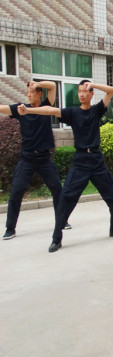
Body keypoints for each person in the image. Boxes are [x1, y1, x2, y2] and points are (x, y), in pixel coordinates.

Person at [19, 80, 113, 252]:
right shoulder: (73, 112)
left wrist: (93, 85)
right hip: (80, 161)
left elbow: (111, 91)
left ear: (91, 94)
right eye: (79, 91)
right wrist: (29, 110)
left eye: (85, 91)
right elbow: (51, 110)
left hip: (97, 160)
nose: (81, 94)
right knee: (66, 199)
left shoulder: (97, 110)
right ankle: (56, 239)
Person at [1, 81, 70, 240]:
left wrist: (37, 83)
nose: (28, 95)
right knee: (16, 191)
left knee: (57, 189)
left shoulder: (46, 107)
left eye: (31, 92)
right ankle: (10, 228)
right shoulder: (21, 109)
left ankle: (62, 220)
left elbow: (52, 86)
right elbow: (3, 108)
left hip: (44, 158)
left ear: (39, 93)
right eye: (28, 92)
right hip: (27, 158)